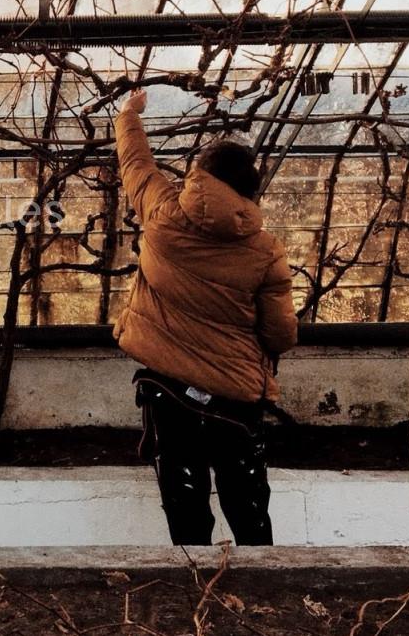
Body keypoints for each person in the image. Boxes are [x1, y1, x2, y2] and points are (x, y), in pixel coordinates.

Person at [113, 89, 297, 546]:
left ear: (199, 176)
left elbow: (135, 165)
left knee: (184, 497)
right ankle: (258, 586)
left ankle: (194, 584)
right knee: (246, 501)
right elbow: (280, 333)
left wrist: (128, 115)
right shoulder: (265, 250)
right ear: (249, 191)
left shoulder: (160, 212)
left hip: (169, 394)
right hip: (235, 400)